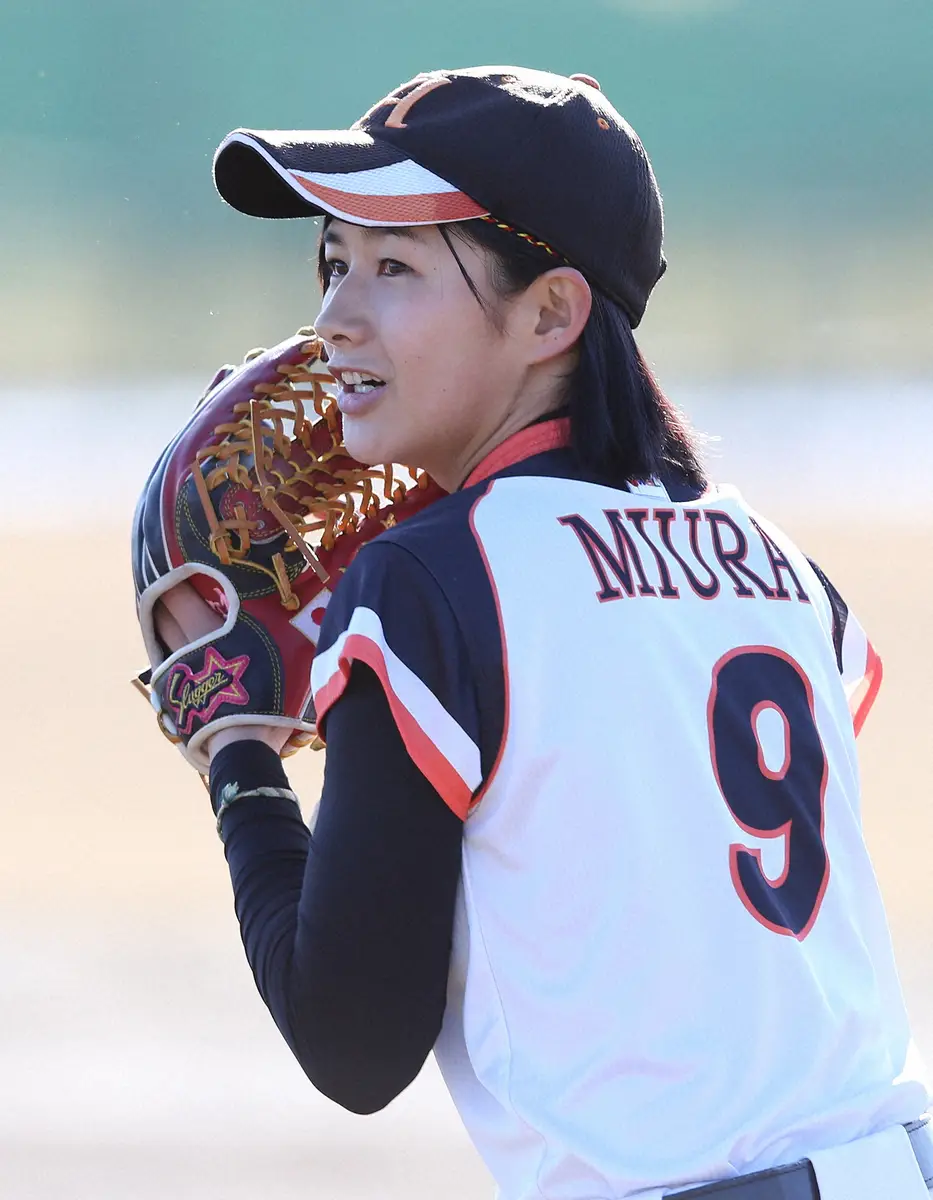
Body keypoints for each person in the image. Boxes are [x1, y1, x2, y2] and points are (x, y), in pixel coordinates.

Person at [154, 67, 931, 1199]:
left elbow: (355, 1042)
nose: (334, 318)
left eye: (397, 267)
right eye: (335, 262)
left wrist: (234, 748)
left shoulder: (427, 585)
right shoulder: (779, 563)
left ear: (553, 313)